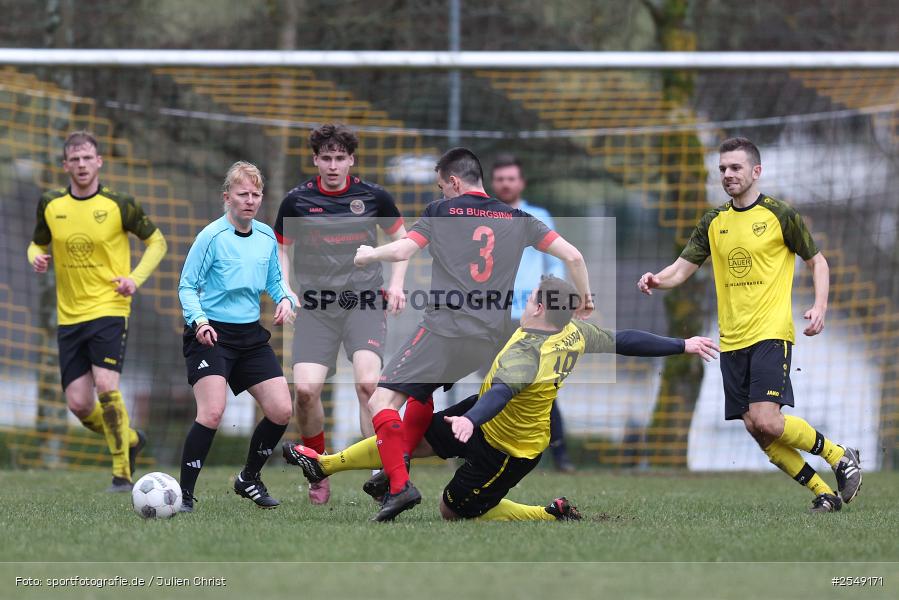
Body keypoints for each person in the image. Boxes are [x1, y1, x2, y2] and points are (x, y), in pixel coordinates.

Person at [284, 275, 719, 522]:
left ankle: (548, 514)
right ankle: (322, 464)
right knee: (406, 444)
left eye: (531, 297)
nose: (526, 299)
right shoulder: (575, 331)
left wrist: (471, 421)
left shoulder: (529, 354)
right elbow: (625, 339)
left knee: (452, 512)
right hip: (480, 419)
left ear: (539, 309)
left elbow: (503, 392)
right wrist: (682, 344)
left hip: (510, 448)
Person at [353, 147, 595, 521]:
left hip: (443, 330)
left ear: (453, 181)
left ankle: (398, 485)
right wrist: (585, 298)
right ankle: (395, 467)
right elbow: (574, 257)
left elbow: (403, 250)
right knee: (421, 392)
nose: (441, 194)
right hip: (486, 339)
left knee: (380, 402)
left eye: (441, 186)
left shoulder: (440, 211)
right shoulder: (519, 218)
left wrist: (369, 254)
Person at [637, 137, 862, 514]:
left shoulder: (780, 214)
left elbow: (818, 261)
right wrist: (657, 280)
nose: (727, 174)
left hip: (771, 334)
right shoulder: (713, 221)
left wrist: (820, 306)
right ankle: (824, 493)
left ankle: (840, 456)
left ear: (756, 171)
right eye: (723, 168)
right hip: (732, 340)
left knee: (767, 420)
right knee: (757, 430)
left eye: (735, 167)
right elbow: (680, 269)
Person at [274, 124, 408, 505]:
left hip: (363, 302)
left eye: (340, 158)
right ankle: (318, 468)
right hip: (316, 308)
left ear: (351, 159)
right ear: (315, 160)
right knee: (304, 392)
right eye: (326, 158)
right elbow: (280, 250)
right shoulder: (296, 201)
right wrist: (285, 290)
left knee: (369, 387)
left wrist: (396, 285)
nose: (333, 165)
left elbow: (403, 241)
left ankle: (381, 475)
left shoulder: (374, 196)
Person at [28, 130, 167, 492]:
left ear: (99, 162)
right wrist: (36, 258)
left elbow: (157, 242)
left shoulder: (120, 204)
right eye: (74, 159)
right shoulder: (51, 204)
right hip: (68, 315)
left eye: (87, 158)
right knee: (77, 404)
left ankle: (121, 474)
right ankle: (132, 439)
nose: (81, 165)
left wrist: (135, 279)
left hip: (109, 308)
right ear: (65, 166)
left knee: (107, 386)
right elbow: (35, 243)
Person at [177, 161, 296, 513]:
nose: (250, 200)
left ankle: (248, 478)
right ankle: (183, 496)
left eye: (256, 194)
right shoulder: (210, 237)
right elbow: (186, 287)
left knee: (281, 410)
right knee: (212, 412)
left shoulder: (264, 238)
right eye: (242, 194)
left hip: (249, 337)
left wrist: (286, 300)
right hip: (210, 334)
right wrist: (199, 322)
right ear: (227, 197)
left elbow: (276, 281)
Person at [490, 154, 573, 472]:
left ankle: (560, 456)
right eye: (500, 178)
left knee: (541, 385)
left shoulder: (538, 216)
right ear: (493, 183)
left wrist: (553, 302)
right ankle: (487, 453)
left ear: (521, 182)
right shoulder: (485, 217)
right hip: (492, 317)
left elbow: (556, 261)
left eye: (511, 178)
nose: (506, 183)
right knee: (494, 385)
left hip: (531, 318)